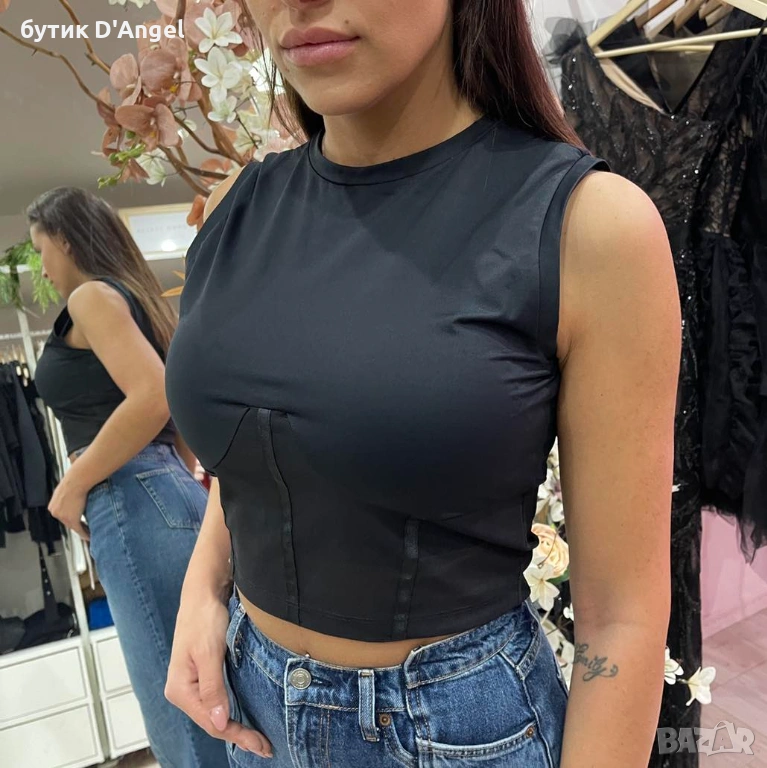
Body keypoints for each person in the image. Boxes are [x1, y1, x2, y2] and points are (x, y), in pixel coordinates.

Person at [164, 1, 680, 766]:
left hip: (452, 731)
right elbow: (264, 441)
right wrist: (202, 592)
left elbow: (621, 617)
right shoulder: (237, 208)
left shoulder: (588, 225)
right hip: (254, 712)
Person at [29, 187, 229, 768]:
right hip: (164, 491)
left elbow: (152, 396)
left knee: (180, 709)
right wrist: (174, 477)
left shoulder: (91, 296)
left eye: (41, 250)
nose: (43, 265)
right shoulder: (134, 298)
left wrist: (72, 486)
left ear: (64, 239)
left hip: (130, 497)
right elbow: (176, 406)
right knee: (205, 686)